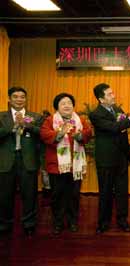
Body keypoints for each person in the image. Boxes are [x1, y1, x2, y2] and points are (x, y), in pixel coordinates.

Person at [40, 93, 92, 235]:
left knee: (74, 195)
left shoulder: (79, 120)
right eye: (63, 103)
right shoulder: (50, 121)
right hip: (56, 166)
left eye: (69, 103)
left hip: (75, 166)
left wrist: (80, 136)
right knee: (57, 195)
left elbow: (88, 132)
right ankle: (57, 222)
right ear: (57, 106)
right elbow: (44, 135)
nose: (67, 105)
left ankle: (73, 221)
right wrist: (60, 133)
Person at [89, 83, 130, 234]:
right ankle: (103, 222)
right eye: (109, 94)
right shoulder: (96, 114)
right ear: (101, 99)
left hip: (121, 157)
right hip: (106, 159)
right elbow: (114, 127)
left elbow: (129, 122)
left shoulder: (116, 109)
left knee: (122, 191)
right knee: (105, 191)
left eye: (113, 93)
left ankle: (122, 220)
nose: (113, 96)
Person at [0, 87, 42, 237]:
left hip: (28, 161)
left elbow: (42, 134)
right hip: (6, 161)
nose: (19, 99)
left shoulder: (35, 117)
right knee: (4, 195)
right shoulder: (1, 117)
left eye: (22, 97)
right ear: (9, 99)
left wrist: (27, 126)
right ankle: (5, 224)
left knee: (30, 195)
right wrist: (12, 128)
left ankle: (29, 224)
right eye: (15, 97)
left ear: (26, 99)